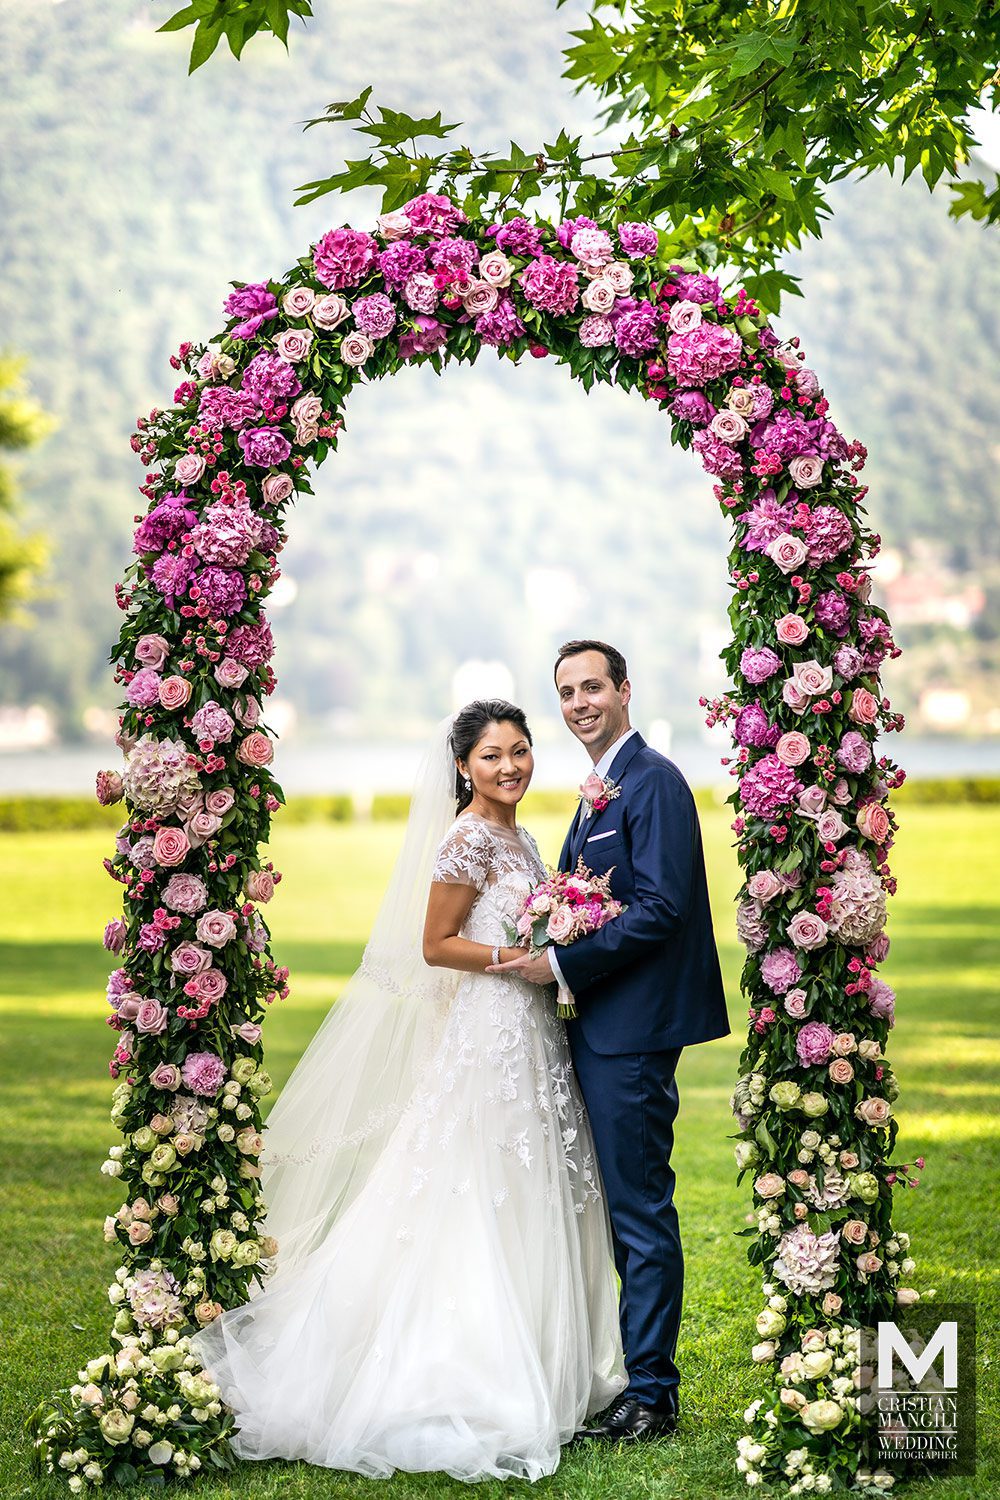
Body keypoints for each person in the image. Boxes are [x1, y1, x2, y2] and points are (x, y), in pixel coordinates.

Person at [190, 699, 626, 1481]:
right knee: (476, 1187)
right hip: (492, 1030)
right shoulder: (464, 837)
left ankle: (544, 1357)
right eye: (493, 755)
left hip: (528, 1030)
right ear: (463, 766)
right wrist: (515, 962)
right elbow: (435, 945)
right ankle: (462, 1372)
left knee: (527, 1185)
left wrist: (556, 937)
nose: (511, 766)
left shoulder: (520, 836)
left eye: (521, 751)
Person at [490, 642, 729, 1441]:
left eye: (593, 686)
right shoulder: (603, 788)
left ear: (625, 690)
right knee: (622, 1208)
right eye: (566, 691)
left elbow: (661, 908)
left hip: (631, 1034)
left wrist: (559, 958)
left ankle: (652, 1395)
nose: (580, 701)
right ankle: (631, 1376)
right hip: (602, 1024)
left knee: (638, 1210)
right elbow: (592, 895)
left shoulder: (651, 780)